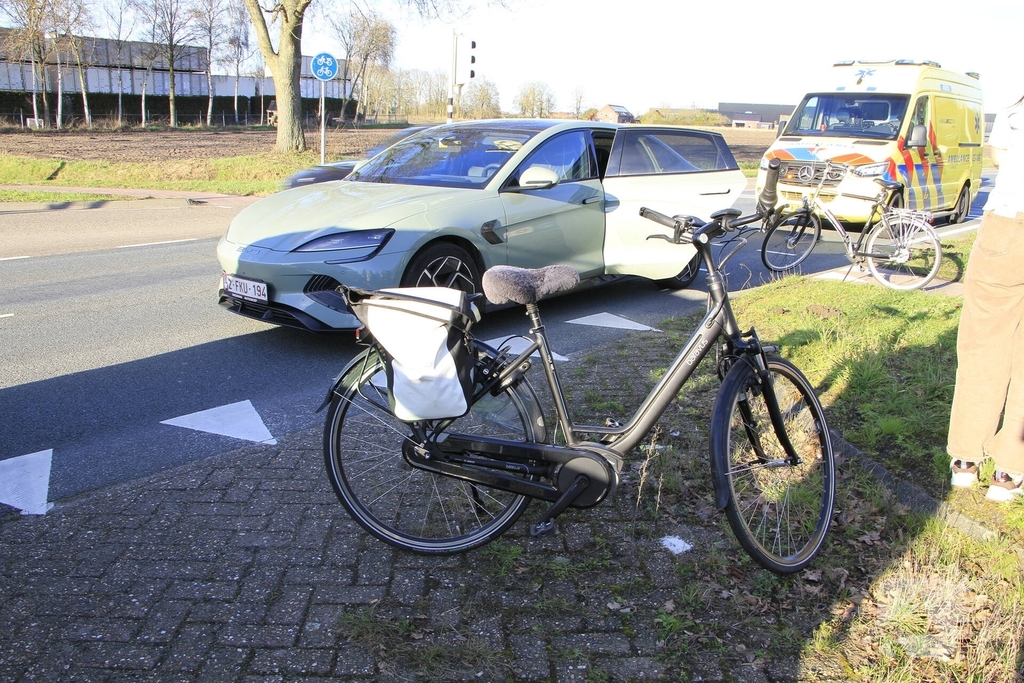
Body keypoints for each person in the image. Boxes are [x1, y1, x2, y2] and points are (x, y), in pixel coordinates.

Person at [947, 94, 1024, 501]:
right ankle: (1010, 470)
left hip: (1008, 222)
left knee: (983, 345)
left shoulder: (1015, 108)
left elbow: (998, 157)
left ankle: (965, 459)